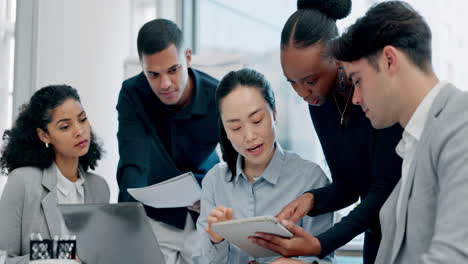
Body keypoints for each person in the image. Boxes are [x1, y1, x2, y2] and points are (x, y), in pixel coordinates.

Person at [250, 0, 402, 263]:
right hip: (375, 233)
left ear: (337, 57)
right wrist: (310, 200)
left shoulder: (376, 94)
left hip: (408, 229)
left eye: (310, 81)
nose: (303, 93)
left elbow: (383, 190)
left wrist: (321, 244)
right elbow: (348, 186)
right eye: (292, 83)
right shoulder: (320, 103)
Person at [330, 1, 468, 263]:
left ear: (390, 60)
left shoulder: (461, 119)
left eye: (357, 80)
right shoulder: (413, 143)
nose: (356, 98)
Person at [192, 68, 335, 264]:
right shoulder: (215, 181)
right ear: (225, 130)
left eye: (257, 120)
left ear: (274, 113)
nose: (249, 136)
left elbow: (325, 260)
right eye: (235, 127)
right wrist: (215, 240)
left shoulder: (311, 179)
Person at [116, 18, 220, 264]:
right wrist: (126, 223)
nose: (165, 84)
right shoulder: (133, 94)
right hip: (155, 216)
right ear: (142, 68)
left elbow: (238, 162)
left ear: (188, 57)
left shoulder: (217, 96)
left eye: (173, 70)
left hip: (204, 212)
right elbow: (134, 162)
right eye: (153, 74)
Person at [0, 85, 110, 263]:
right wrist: (53, 260)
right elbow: (3, 258)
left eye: (83, 120)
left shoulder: (99, 187)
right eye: (65, 126)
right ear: (44, 135)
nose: (80, 131)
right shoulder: (22, 182)